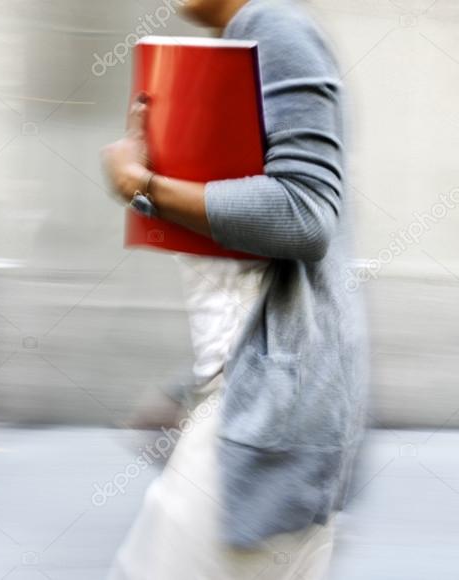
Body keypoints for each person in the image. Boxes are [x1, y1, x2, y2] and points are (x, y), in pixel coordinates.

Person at [100, 0, 367, 578]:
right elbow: (250, 272)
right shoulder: (246, 41)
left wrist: (143, 186)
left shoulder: (275, 27)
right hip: (251, 404)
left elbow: (308, 215)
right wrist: (187, 388)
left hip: (275, 418)